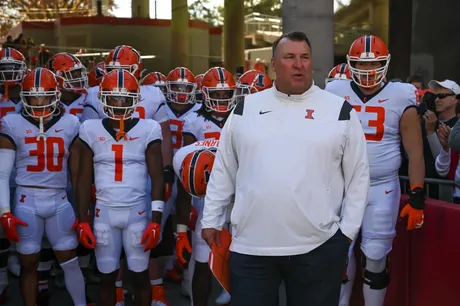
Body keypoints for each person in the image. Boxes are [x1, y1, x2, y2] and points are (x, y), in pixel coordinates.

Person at [201, 31, 370, 306]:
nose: (298, 64)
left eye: (304, 57)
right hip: (251, 247)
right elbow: (224, 168)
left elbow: (358, 176)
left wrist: (345, 235)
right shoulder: (245, 109)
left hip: (318, 247)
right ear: (273, 64)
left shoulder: (339, 111)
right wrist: (211, 219)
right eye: (289, 57)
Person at [325, 34, 426, 306]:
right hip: (342, 184)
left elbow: (414, 151)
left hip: (382, 186)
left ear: (386, 64)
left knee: (377, 255)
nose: (368, 71)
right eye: (362, 64)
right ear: (350, 64)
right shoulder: (334, 92)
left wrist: (417, 194)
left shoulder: (400, 95)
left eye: (375, 64)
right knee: (338, 256)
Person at [75, 69, 165, 306]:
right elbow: (84, 178)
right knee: (107, 277)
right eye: (113, 98)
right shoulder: (89, 128)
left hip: (137, 212)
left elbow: (157, 176)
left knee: (140, 275)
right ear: (103, 98)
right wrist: (82, 219)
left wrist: (156, 219)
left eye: (124, 98)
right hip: (103, 212)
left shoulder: (149, 127)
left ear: (135, 100)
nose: (118, 103)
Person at [0, 68, 87, 306]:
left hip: (59, 198)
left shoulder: (71, 122)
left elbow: (78, 174)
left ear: (56, 95)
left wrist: (83, 214)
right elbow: (2, 173)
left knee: (69, 259)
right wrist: (4, 211)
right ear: (24, 96)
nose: (39, 102)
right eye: (32, 97)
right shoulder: (11, 122)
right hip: (26, 199)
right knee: (29, 262)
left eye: (44, 96)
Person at [181, 66, 238, 306]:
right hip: (207, 196)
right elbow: (185, 166)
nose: (223, 98)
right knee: (203, 258)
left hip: (240, 195)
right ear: (205, 93)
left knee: (242, 257)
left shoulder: (243, 117)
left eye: (227, 94)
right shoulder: (193, 121)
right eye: (217, 93)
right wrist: (183, 222)